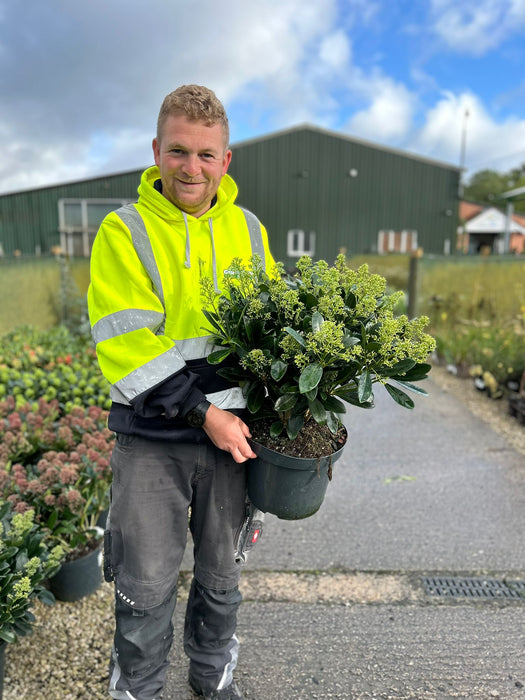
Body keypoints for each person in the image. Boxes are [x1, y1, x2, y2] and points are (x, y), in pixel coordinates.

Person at [87, 84, 275, 700]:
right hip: (151, 440)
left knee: (221, 576)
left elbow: (270, 334)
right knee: (144, 580)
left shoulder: (249, 230)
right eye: (177, 151)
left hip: (231, 446)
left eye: (204, 154)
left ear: (226, 159)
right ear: (155, 151)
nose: (190, 168)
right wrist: (207, 414)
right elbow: (128, 344)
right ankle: (138, 687)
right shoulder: (125, 231)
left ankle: (211, 673)